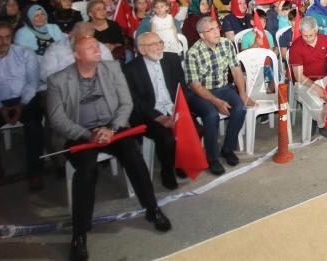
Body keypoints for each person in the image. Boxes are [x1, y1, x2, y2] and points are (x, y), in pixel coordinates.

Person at [46, 36, 172, 261]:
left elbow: (126, 103)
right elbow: (57, 119)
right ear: (77, 55)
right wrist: (89, 134)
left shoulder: (112, 68)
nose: (97, 49)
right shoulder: (58, 80)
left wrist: (112, 128)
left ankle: (152, 209)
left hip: (113, 127)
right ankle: (79, 234)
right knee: (87, 171)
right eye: (90, 47)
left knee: (133, 156)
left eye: (97, 46)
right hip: (81, 133)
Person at [0, 20, 45, 192]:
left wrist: (22, 104)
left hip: (24, 99)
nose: (4, 42)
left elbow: (32, 83)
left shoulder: (26, 53)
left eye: (7, 37)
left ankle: (35, 171)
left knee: (34, 125)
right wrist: (0, 108)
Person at [184, 17, 254, 175]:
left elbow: (236, 70)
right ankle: (212, 157)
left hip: (223, 88)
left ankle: (227, 148)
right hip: (200, 93)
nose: (217, 32)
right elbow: (195, 86)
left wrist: (243, 93)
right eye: (211, 30)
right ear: (202, 35)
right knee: (211, 115)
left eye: (217, 28)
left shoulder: (226, 44)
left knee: (240, 108)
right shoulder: (193, 53)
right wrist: (216, 102)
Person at [123, 32, 187, 190]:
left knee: (197, 129)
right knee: (167, 139)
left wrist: (179, 107)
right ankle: (167, 171)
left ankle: (180, 162)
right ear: (142, 49)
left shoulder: (171, 59)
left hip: (173, 106)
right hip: (149, 114)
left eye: (160, 42)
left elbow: (182, 86)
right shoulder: (131, 69)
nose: (159, 47)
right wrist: (159, 117)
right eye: (153, 44)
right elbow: (135, 101)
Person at [290, 16, 327, 138]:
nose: (308, 39)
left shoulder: (325, 40)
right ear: (300, 32)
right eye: (305, 36)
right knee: (317, 104)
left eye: (311, 35)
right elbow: (299, 77)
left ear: (316, 30)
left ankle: (316, 119)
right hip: (302, 83)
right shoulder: (296, 46)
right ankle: (321, 124)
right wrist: (317, 88)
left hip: (322, 78)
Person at [40, 21, 113, 81]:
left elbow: (110, 71)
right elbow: (46, 75)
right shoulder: (55, 48)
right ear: (72, 35)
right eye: (81, 39)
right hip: (64, 87)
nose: (84, 43)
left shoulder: (100, 48)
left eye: (88, 39)